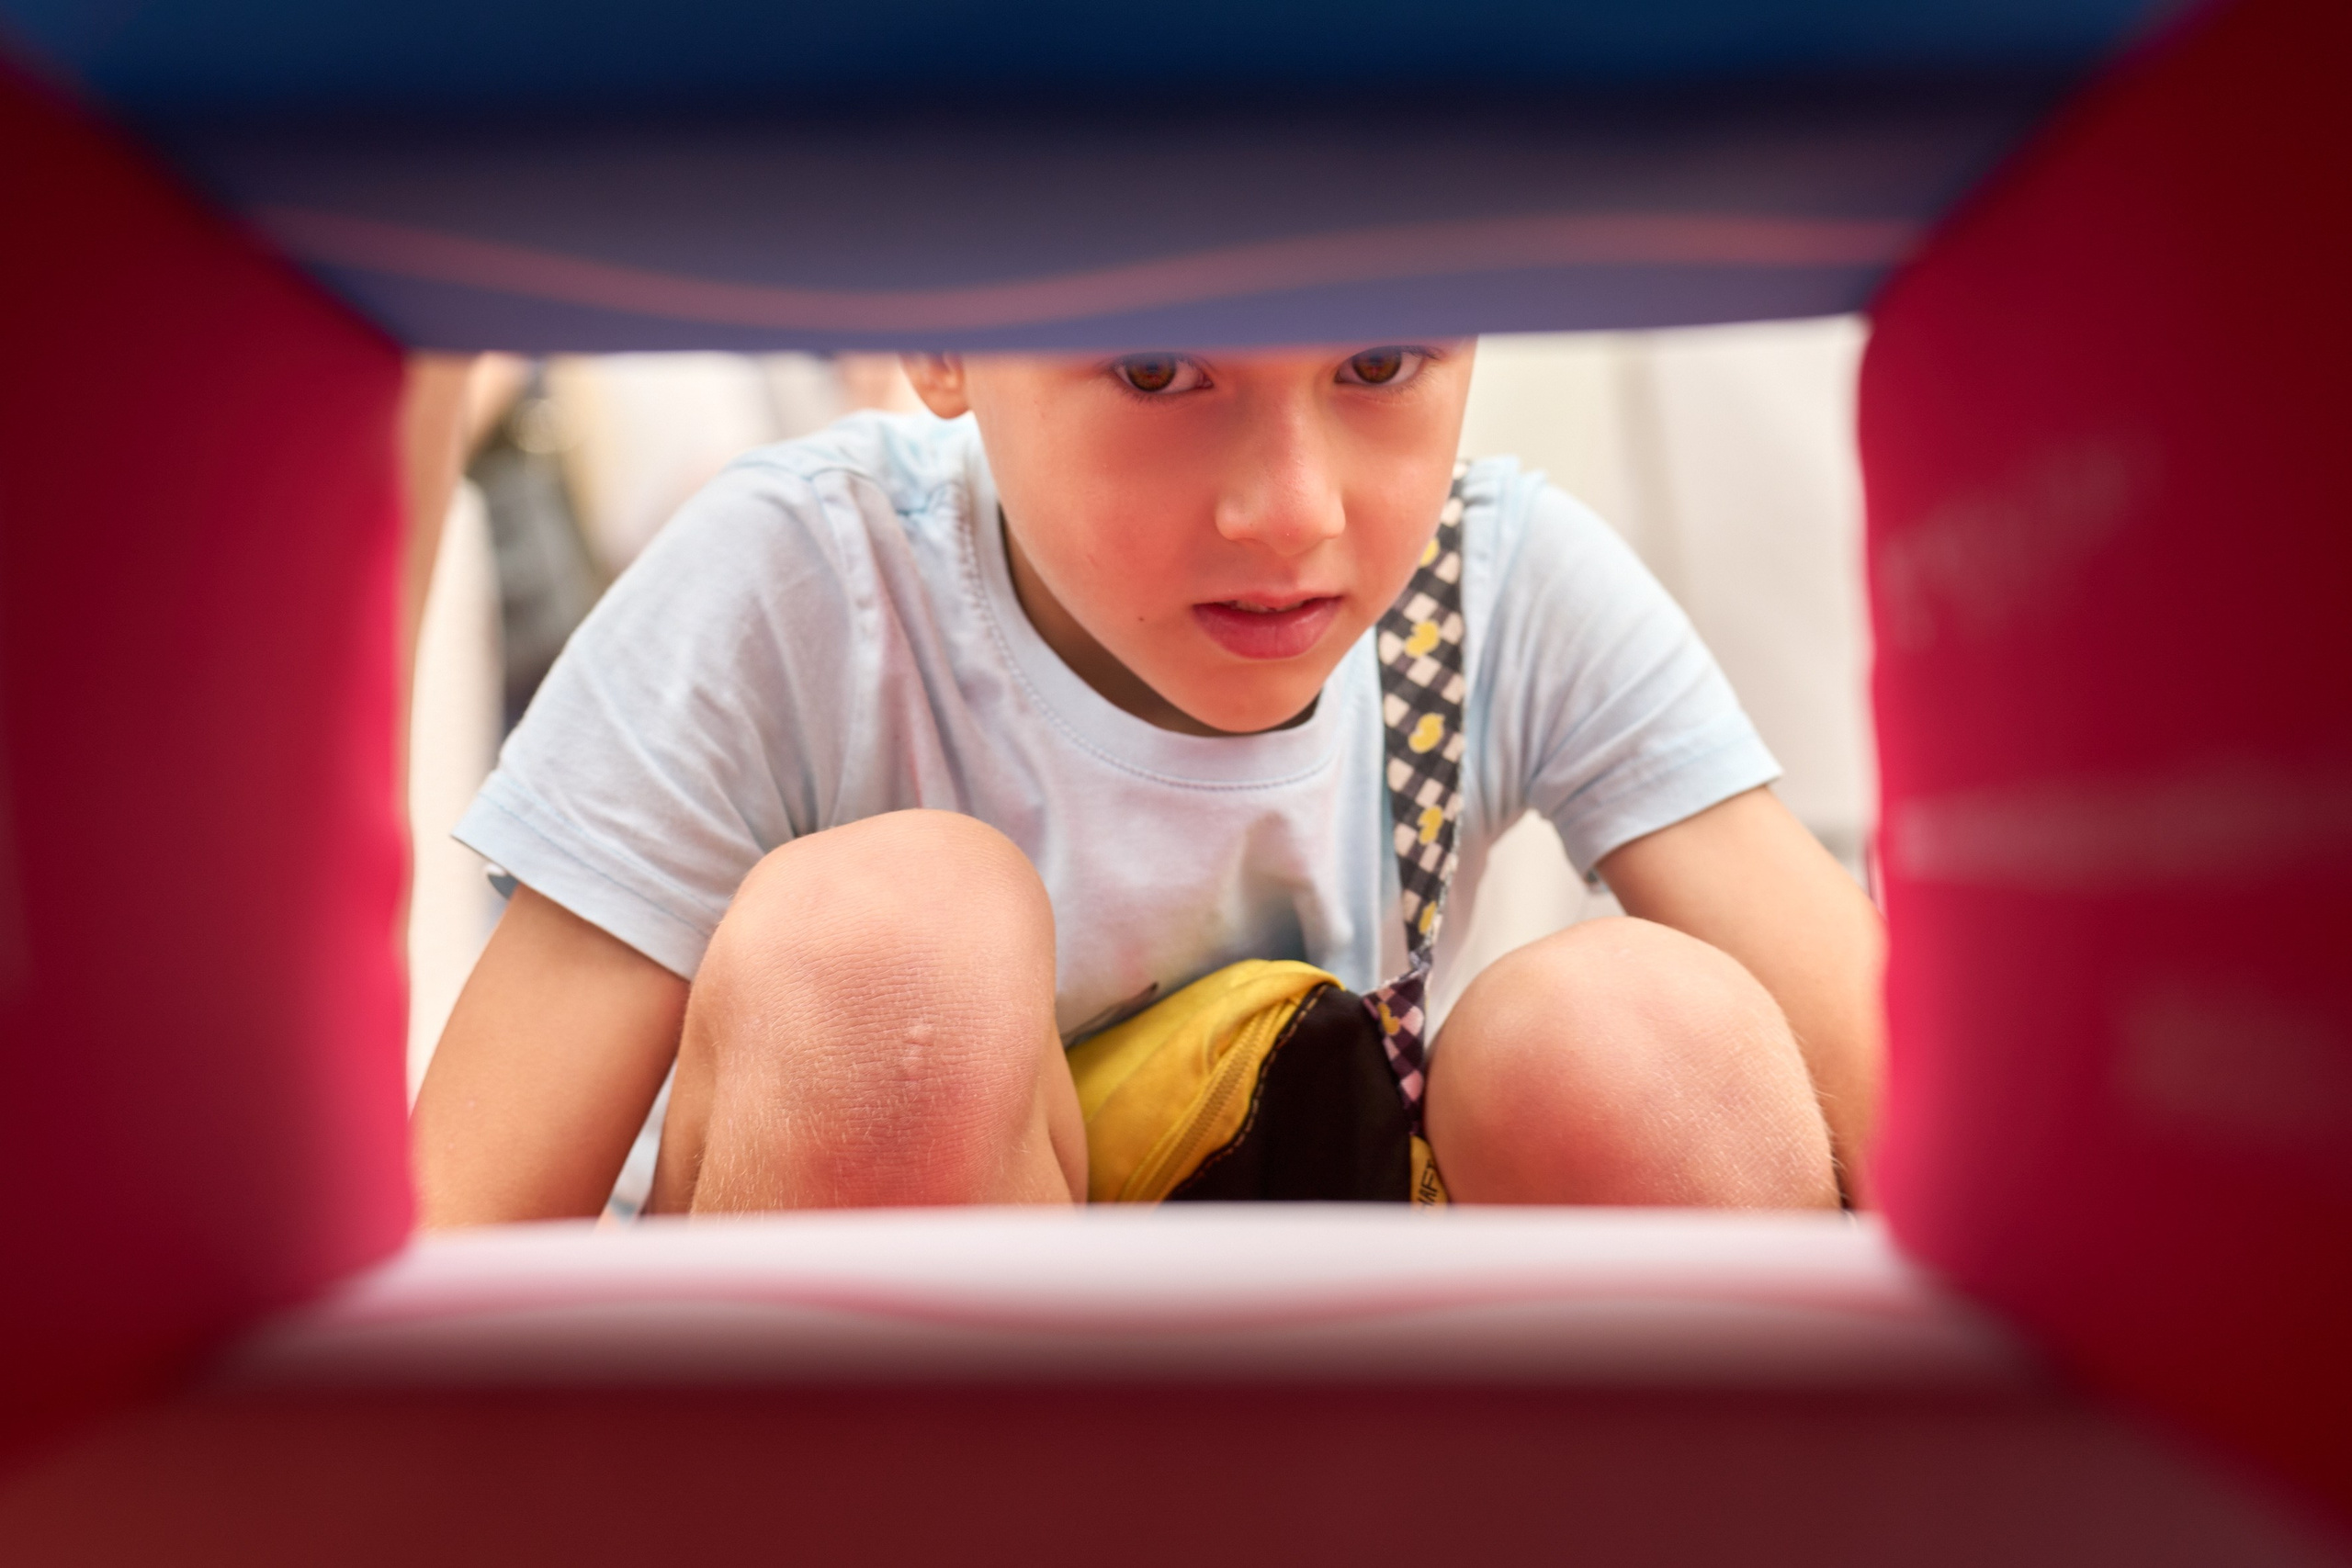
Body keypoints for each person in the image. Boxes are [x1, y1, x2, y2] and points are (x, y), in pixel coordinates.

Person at [410, 342, 1884, 1224]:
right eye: (1159, 371)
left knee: (1641, 1040)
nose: (1291, 510)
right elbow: (457, 1236)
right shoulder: (805, 586)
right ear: (939, 325)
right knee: (890, 954)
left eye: (1379, 364)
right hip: (890, 1466)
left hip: (1338, 1463)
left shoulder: (1489, 588)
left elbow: (1924, 1125)